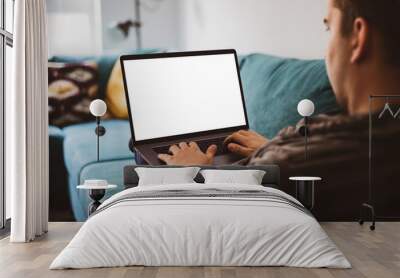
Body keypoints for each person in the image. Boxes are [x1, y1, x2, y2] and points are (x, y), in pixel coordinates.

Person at [158, 0, 400, 219]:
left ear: (358, 36)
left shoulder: (290, 168)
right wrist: (271, 147)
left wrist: (192, 173)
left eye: (329, 29)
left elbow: (210, 217)